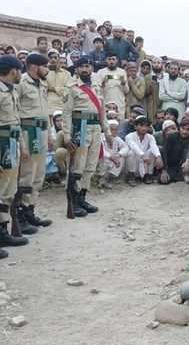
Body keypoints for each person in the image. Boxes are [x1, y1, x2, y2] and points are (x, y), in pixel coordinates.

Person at [63, 57, 110, 217]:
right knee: (78, 165)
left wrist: (107, 131)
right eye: (82, 66)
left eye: (88, 66)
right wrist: (67, 135)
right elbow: (67, 113)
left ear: (92, 68)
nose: (85, 69)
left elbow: (102, 111)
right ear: (76, 69)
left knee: (90, 165)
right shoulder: (72, 87)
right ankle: (73, 200)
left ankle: (82, 196)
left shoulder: (96, 87)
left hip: (96, 127)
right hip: (80, 127)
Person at [15, 53, 53, 232]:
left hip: (42, 131)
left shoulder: (42, 84)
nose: (47, 69)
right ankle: (19, 214)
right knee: (27, 174)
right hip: (28, 131)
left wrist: (50, 135)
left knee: (39, 174)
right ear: (34, 66)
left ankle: (30, 209)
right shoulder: (21, 83)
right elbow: (15, 112)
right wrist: (20, 141)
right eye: (45, 66)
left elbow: (45, 112)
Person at [0, 56, 30, 258]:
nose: (21, 74)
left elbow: (15, 121)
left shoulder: (11, 90)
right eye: (20, 70)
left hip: (11, 142)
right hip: (1, 143)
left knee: (8, 190)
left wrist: (22, 145)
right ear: (13, 71)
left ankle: (3, 229)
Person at [124, 116, 163, 186]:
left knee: (153, 151)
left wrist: (158, 157)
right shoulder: (129, 136)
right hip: (134, 164)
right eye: (141, 125)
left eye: (146, 126)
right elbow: (134, 146)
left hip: (145, 163)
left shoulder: (150, 137)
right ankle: (131, 175)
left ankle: (148, 175)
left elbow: (154, 146)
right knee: (131, 152)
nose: (144, 128)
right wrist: (142, 155)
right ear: (135, 127)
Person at [159, 119, 189, 184]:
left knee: (187, 151)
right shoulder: (172, 136)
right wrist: (164, 170)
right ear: (179, 128)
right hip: (171, 165)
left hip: (185, 164)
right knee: (164, 180)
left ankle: (186, 174)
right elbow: (165, 153)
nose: (185, 132)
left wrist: (187, 162)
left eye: (188, 130)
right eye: (183, 129)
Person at [99, 119, 129, 188]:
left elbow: (126, 148)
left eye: (116, 130)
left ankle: (107, 178)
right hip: (102, 160)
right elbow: (101, 151)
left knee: (122, 157)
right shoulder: (100, 137)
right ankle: (101, 178)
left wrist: (118, 154)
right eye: (112, 129)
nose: (114, 131)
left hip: (113, 160)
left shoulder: (117, 138)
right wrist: (110, 157)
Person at [45, 49, 71, 117]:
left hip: (62, 106)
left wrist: (53, 88)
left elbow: (68, 90)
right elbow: (43, 88)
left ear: (59, 59)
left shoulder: (67, 74)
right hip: (48, 106)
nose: (53, 60)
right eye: (50, 58)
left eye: (55, 57)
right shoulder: (44, 72)